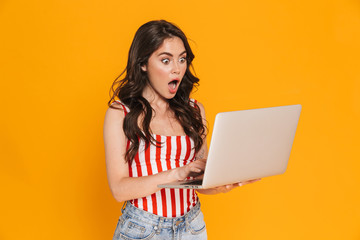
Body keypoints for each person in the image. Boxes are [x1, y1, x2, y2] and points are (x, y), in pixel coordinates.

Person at [103, 20, 260, 240]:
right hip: (143, 230)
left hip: (192, 227)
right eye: (165, 60)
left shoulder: (194, 110)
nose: (177, 68)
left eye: (182, 59)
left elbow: (197, 183)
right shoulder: (121, 113)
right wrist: (175, 174)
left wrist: (222, 184)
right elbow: (119, 189)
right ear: (143, 64)